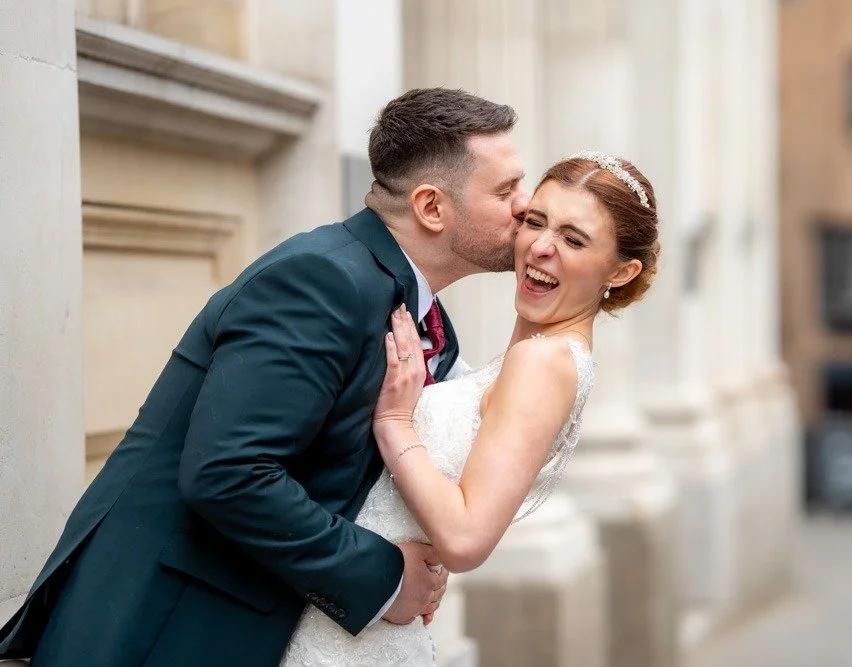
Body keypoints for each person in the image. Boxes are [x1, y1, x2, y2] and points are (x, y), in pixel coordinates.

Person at [0, 88, 529, 667]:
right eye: (505, 190)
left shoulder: (416, 309)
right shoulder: (320, 282)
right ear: (432, 207)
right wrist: (380, 576)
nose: (525, 206)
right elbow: (228, 472)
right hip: (167, 627)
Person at [280, 150, 660, 665]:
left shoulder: (544, 363)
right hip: (358, 615)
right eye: (535, 221)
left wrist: (394, 422)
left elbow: (463, 537)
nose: (541, 248)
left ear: (621, 270)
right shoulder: (540, 357)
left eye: (573, 239)